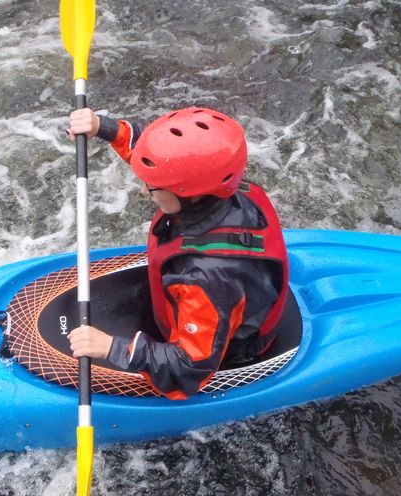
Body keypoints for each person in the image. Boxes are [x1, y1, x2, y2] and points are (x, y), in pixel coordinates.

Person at [66, 106, 289, 400]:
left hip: (220, 351)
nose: (144, 191)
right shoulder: (222, 189)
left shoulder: (204, 277)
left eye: (152, 187)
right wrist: (104, 128)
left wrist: (111, 348)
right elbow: (157, 159)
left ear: (187, 191)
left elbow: (189, 366)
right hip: (214, 300)